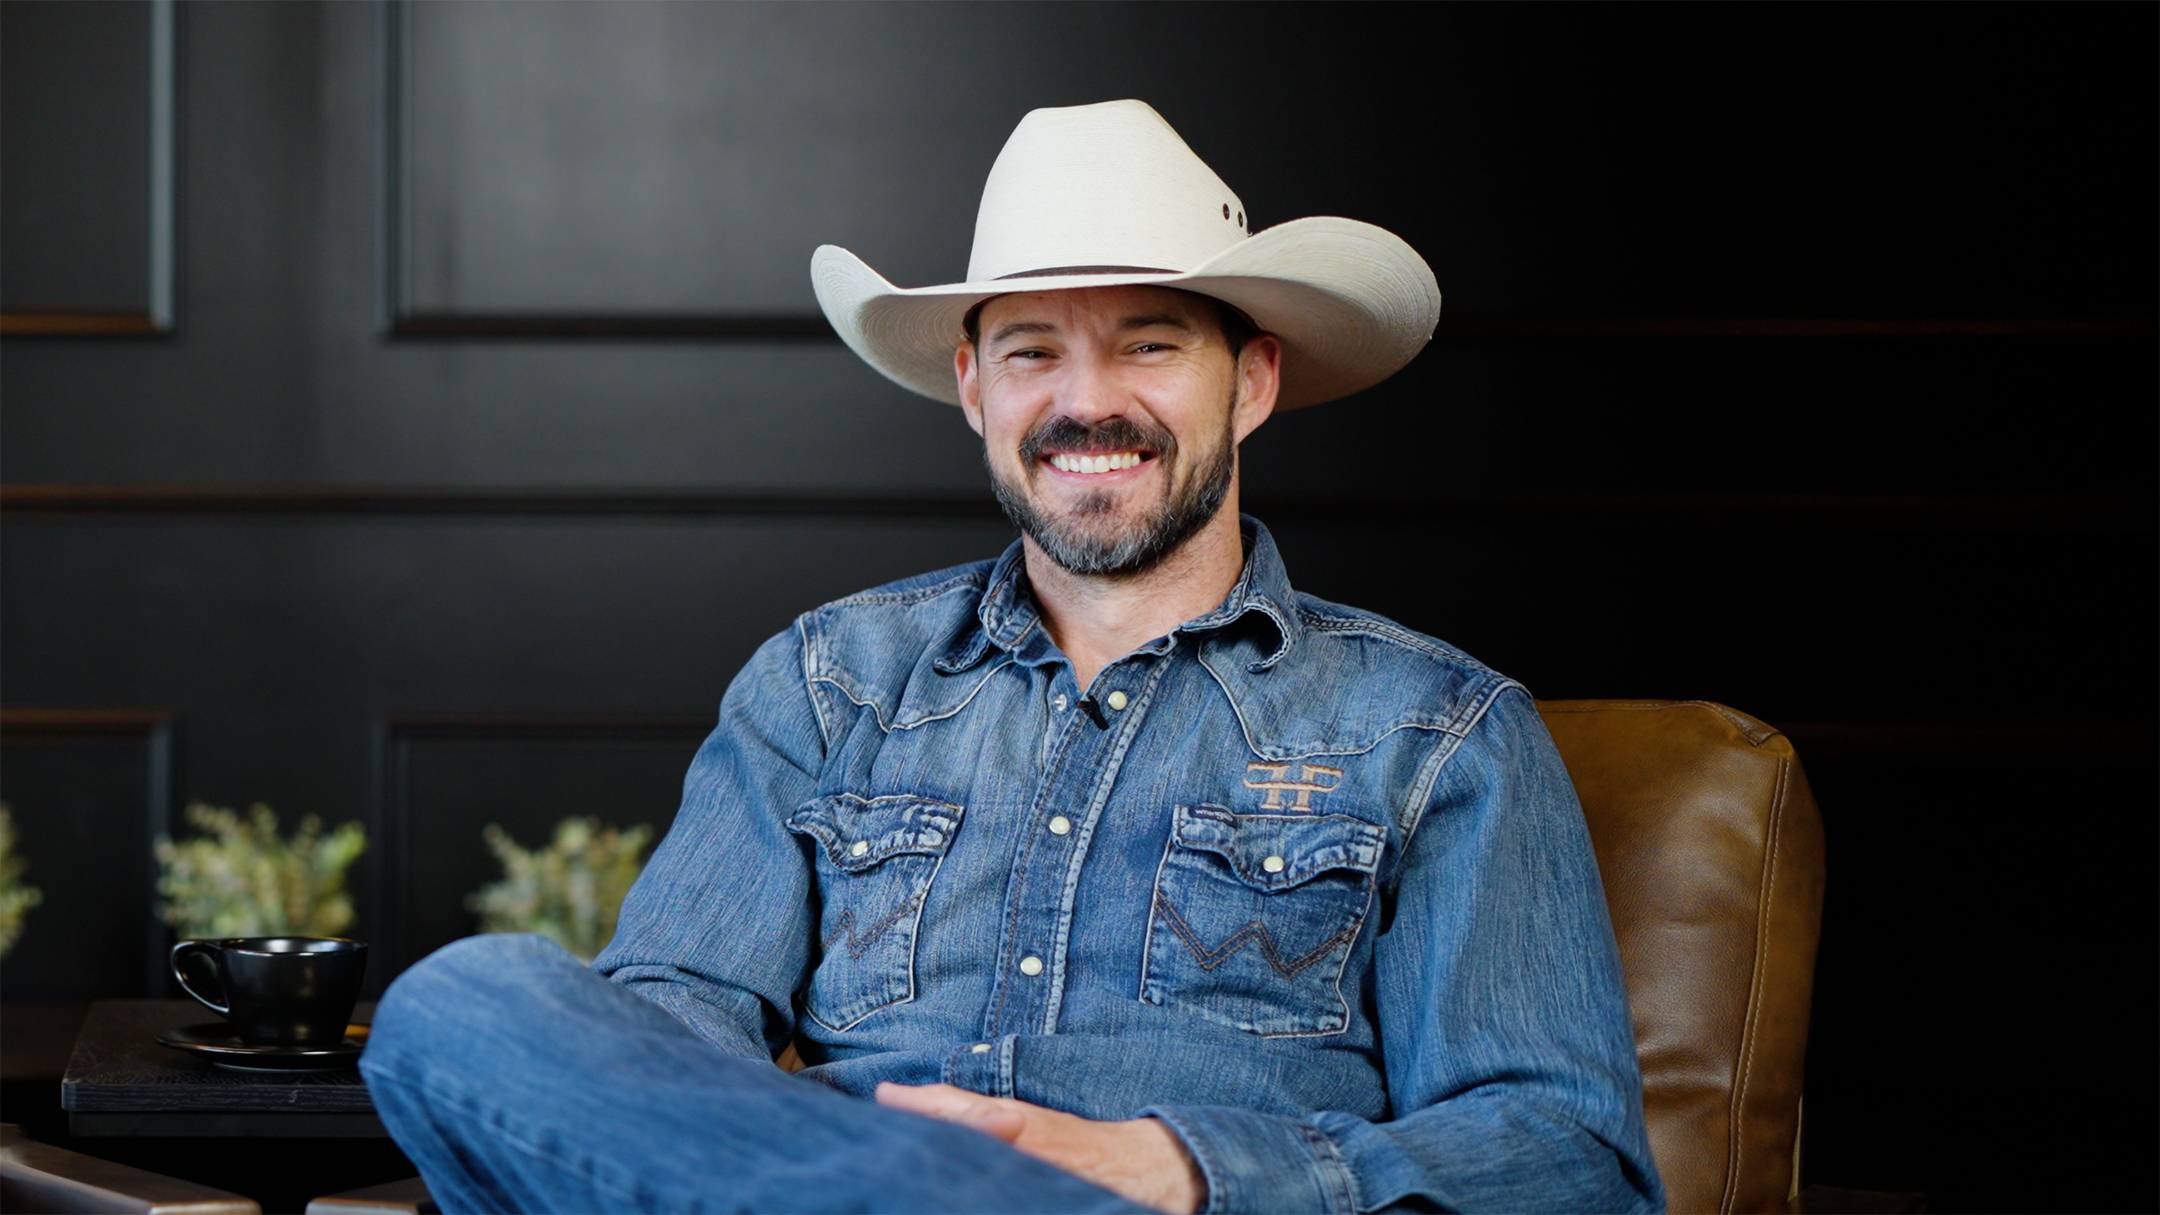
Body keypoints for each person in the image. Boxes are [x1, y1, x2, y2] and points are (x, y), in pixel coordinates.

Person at [363, 100, 1663, 1215]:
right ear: (977, 388)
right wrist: (809, 1148)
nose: (1086, 401)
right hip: (817, 1174)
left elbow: (1568, 1154)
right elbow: (671, 1015)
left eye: (1148, 343)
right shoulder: (830, 683)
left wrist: (1169, 1167)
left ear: (1250, 380)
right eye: (1035, 349)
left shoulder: (1435, 728)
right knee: (466, 1003)